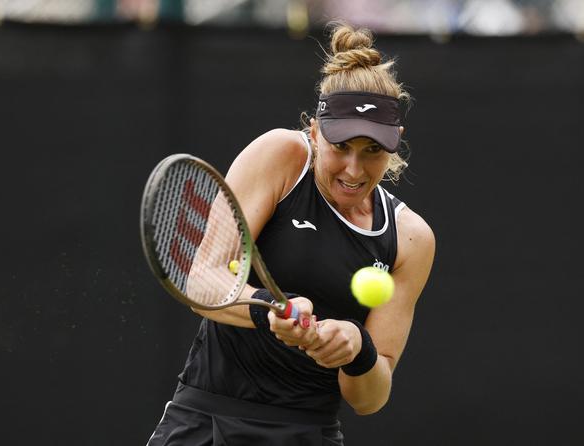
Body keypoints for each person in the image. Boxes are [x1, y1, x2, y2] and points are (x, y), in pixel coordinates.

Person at [147, 22, 435, 446]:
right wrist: (269, 310)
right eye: (341, 146)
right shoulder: (281, 157)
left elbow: (370, 398)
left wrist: (358, 350)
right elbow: (202, 280)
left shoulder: (411, 239)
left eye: (372, 150)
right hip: (208, 424)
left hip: (309, 434)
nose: (354, 170)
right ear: (316, 132)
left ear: (396, 142)